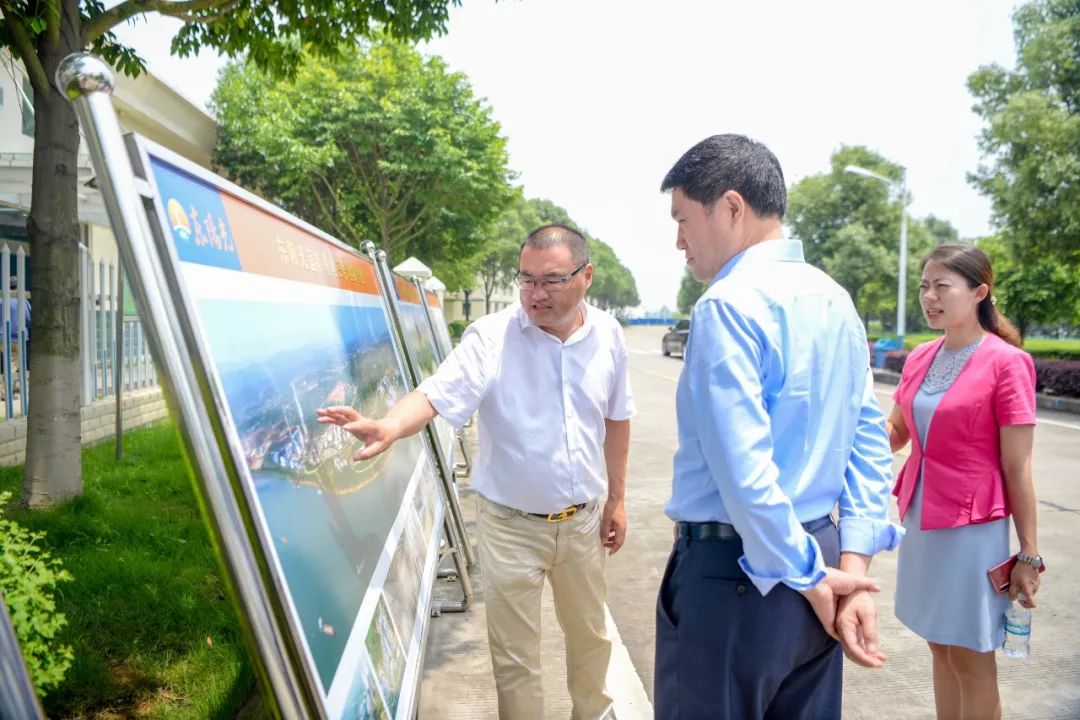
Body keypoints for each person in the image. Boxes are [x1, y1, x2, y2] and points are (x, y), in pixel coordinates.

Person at [318, 224, 634, 720]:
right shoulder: (492, 337)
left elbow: (617, 419)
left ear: (586, 276)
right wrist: (389, 426)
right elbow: (436, 392)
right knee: (516, 660)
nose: (536, 293)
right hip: (510, 528)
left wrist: (617, 499)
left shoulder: (608, 336)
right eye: (526, 279)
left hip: (582, 524)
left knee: (590, 641)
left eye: (551, 280)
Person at [654, 134, 902, 720]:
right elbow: (868, 442)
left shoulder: (727, 305)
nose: (679, 241)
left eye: (684, 219)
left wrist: (814, 579)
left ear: (732, 208)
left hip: (736, 576)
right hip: (821, 560)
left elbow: (745, 476)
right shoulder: (835, 300)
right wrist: (850, 570)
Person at [888, 244, 1040, 720]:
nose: (929, 296)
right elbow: (896, 431)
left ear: (979, 292)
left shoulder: (1007, 363)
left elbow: (1018, 467)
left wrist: (1029, 555)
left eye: (941, 286)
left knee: (971, 655)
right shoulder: (920, 357)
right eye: (923, 286)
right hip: (922, 517)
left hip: (972, 528)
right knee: (939, 646)